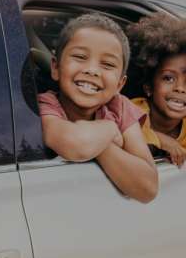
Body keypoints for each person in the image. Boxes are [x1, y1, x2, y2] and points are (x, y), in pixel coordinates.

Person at [38, 13, 158, 203]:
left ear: (120, 84)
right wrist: (109, 130)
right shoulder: (46, 104)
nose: (92, 70)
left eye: (108, 64)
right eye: (79, 56)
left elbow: (148, 188)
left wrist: (99, 144)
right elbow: (74, 144)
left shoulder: (120, 107)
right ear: (55, 67)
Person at [127, 13, 186, 167]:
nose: (180, 88)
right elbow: (117, 132)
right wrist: (158, 138)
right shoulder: (133, 110)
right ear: (149, 87)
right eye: (168, 78)